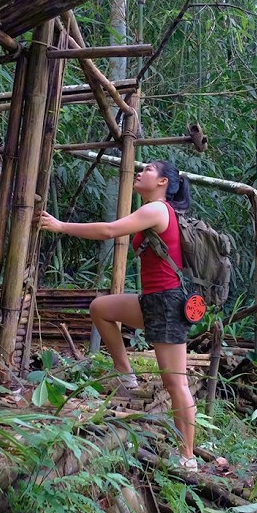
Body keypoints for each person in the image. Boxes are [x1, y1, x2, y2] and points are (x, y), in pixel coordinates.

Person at [39, 160, 198, 471]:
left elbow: (110, 230)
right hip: (152, 300)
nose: (140, 172)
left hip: (167, 302)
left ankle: (188, 456)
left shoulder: (157, 209)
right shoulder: (154, 209)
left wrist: (61, 226)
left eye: (149, 169)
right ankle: (125, 374)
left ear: (163, 182)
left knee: (176, 382)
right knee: (101, 308)